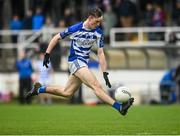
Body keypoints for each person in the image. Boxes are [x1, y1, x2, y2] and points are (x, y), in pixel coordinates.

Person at [26, 8, 134, 116]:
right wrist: (47, 54)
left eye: (100, 22)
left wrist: (104, 72)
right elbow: (56, 38)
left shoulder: (98, 33)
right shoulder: (76, 28)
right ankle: (119, 107)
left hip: (83, 64)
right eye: (97, 21)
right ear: (90, 18)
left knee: (67, 93)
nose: (98, 24)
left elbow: (101, 53)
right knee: (95, 85)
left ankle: (39, 89)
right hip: (75, 61)